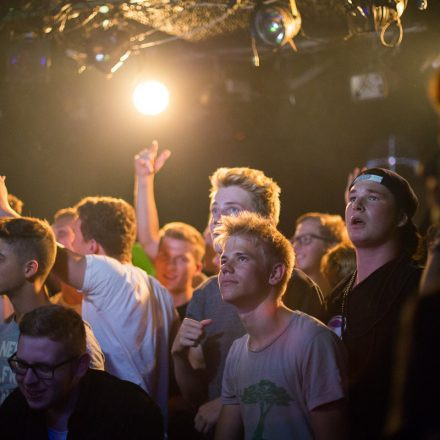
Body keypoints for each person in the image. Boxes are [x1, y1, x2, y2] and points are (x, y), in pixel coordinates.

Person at [0, 178, 178, 421]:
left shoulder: (111, 274)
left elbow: (50, 254)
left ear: (93, 246)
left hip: (116, 426)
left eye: (74, 236)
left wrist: (5, 212)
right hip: (147, 423)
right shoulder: (159, 291)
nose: (69, 244)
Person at [172, 167, 325, 436]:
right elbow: (197, 399)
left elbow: (311, 379)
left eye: (230, 209)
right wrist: (180, 356)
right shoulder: (205, 294)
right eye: (214, 209)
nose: (218, 218)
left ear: (264, 222)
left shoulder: (295, 286)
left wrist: (229, 403)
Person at [214, 212, 347, 440]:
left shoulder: (313, 341)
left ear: (275, 273)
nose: (226, 267)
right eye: (224, 260)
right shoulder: (237, 352)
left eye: (242, 258)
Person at [326, 167, 423, 439]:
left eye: (373, 197)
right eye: (352, 197)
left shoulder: (418, 286)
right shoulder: (336, 296)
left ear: (402, 217)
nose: (356, 204)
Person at [0, 304, 163, 440]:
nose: (28, 380)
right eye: (21, 364)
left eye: (44, 368)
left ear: (80, 367)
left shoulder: (131, 413)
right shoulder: (14, 412)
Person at [0, 217, 104, 404]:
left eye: (0, 259)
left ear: (30, 268)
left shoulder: (73, 334)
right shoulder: (4, 329)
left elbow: (93, 404)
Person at [155, 222, 205, 320]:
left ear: (197, 268)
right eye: (165, 256)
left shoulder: (204, 315)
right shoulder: (140, 307)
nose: (170, 266)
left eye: (181, 259)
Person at [291, 212, 349, 296]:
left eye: (305, 239)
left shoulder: (344, 296)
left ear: (332, 245)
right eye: (294, 240)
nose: (294, 247)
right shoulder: (290, 296)